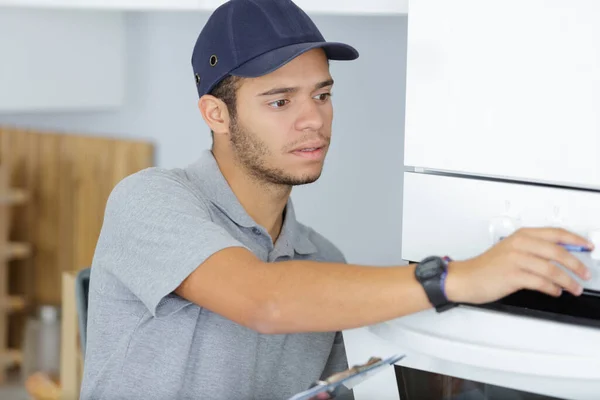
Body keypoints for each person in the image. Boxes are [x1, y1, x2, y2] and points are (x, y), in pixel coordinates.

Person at [79, 0, 594, 399]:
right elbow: (265, 301)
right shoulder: (150, 199)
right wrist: (459, 277)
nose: (313, 120)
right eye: (280, 101)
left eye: (322, 95)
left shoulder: (322, 262)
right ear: (215, 113)